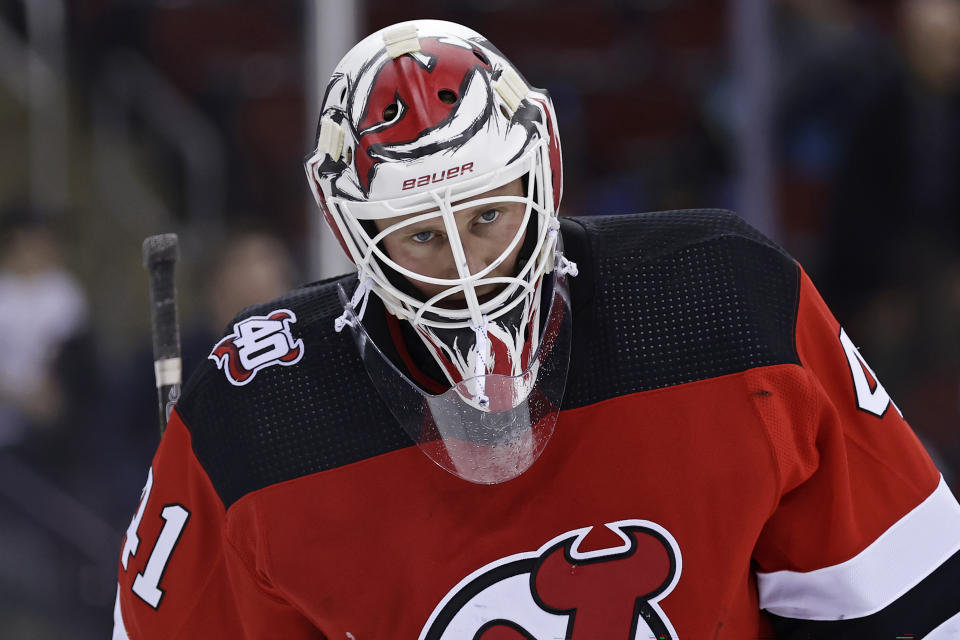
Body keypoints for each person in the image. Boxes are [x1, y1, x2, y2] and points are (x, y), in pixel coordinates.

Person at [112, 20, 960, 639]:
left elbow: (908, 606)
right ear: (353, 234)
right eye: (419, 235)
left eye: (486, 217)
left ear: (543, 170)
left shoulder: (723, 304)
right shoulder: (255, 414)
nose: (466, 268)